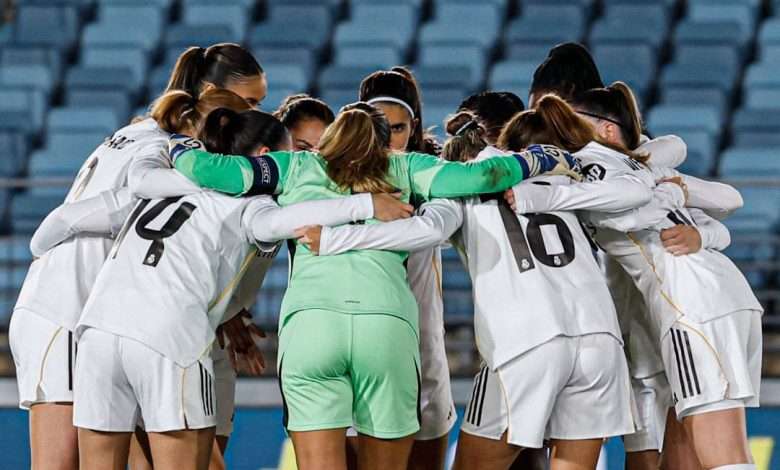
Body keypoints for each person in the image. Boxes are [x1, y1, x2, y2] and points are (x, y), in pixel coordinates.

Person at [169, 101, 577, 470]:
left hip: (311, 326)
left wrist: (173, 145)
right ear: (386, 145)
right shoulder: (406, 167)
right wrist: (540, 160)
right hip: (386, 326)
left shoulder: (292, 167)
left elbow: (209, 171)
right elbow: (486, 174)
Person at [65, 108, 413, 470]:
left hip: (97, 329)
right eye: (293, 154)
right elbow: (285, 221)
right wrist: (367, 203)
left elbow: (60, 223)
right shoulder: (252, 204)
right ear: (265, 159)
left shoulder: (158, 186)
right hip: (169, 336)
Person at [8, 42, 260, 467]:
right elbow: (70, 217)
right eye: (249, 102)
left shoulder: (143, 132)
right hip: (66, 311)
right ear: (212, 96)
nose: (253, 115)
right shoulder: (170, 150)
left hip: (113, 322)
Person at [507, 90, 761, 470]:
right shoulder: (643, 166)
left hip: (691, 306)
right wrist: (684, 204)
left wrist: (538, 198)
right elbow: (712, 191)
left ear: (607, 130)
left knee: (723, 457)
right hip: (729, 296)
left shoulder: (594, 166)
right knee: (692, 443)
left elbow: (629, 206)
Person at [353, 66, 456, 470]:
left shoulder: (434, 177)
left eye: (396, 128)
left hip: (422, 335)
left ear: (413, 128)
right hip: (358, 336)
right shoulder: (333, 173)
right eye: (377, 126)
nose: (386, 139)